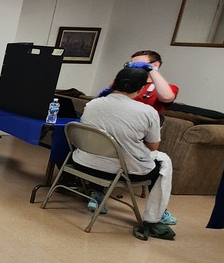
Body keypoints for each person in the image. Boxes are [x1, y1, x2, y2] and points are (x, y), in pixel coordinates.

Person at [74, 66, 175, 241]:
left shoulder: (92, 104)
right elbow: (153, 146)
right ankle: (155, 217)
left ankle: (96, 193)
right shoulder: (147, 112)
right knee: (163, 162)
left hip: (82, 164)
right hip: (118, 171)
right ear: (141, 89)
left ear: (114, 83)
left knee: (111, 151)